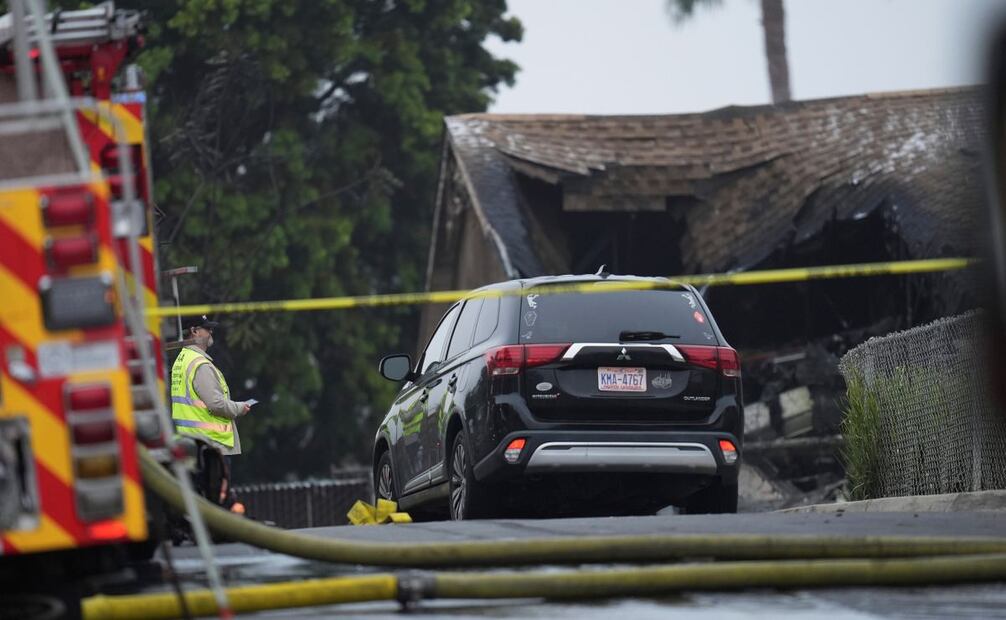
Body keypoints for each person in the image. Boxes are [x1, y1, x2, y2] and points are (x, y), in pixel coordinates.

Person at [170, 315, 252, 509]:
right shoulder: (200, 364)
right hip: (212, 445)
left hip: (191, 443)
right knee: (216, 498)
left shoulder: (182, 360)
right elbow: (215, 404)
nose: (211, 332)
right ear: (194, 331)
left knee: (199, 497)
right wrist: (240, 408)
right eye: (207, 329)